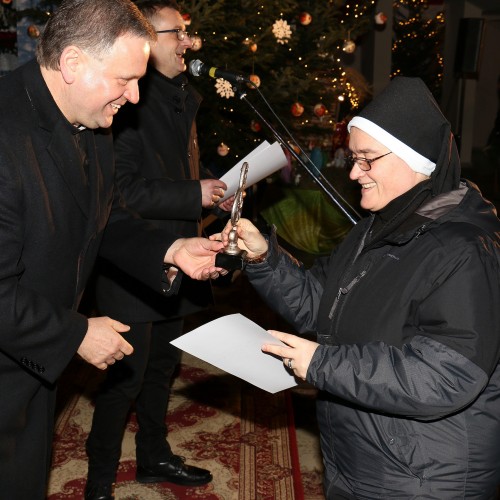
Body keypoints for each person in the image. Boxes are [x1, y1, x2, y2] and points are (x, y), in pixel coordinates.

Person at [214, 77, 500, 499]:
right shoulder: (378, 227)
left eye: (367, 159)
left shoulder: (462, 250)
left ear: (416, 159)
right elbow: (320, 305)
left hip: (423, 475)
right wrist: (262, 258)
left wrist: (321, 364)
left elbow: (447, 376)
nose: (353, 173)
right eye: (353, 158)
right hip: (363, 454)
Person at [0, 1, 226, 498]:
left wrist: (170, 248)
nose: (136, 95)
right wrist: (76, 331)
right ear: (74, 63)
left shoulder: (94, 121)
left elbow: (100, 222)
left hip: (32, 355)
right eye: (126, 79)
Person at [84, 1, 233, 498]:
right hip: (133, 262)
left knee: (164, 368)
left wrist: (214, 178)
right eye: (177, 34)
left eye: (189, 33)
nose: (188, 43)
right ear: (145, 37)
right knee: (124, 380)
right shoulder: (128, 102)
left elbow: (177, 163)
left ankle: (153, 457)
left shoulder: (176, 95)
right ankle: (99, 482)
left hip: (180, 254)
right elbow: (121, 192)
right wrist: (195, 193)